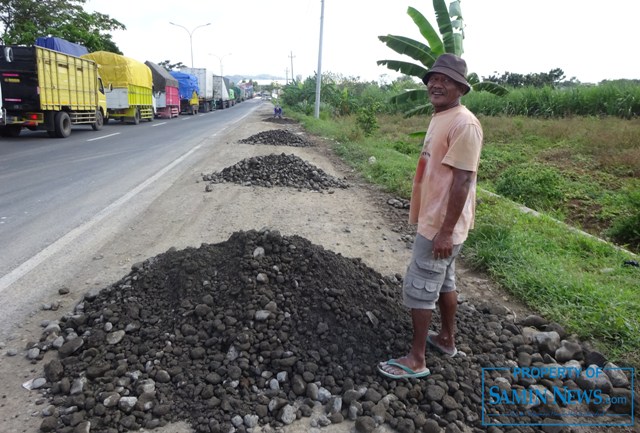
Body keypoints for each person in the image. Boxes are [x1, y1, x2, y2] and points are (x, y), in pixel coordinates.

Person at [378, 53, 483, 380]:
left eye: (446, 80)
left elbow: (463, 180)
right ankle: (447, 339)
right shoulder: (442, 115)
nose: (436, 84)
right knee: (443, 283)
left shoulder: (464, 123)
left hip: (442, 226)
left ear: (460, 88)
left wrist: (444, 232)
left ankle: (416, 358)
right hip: (439, 223)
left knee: (421, 286)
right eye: (433, 79)